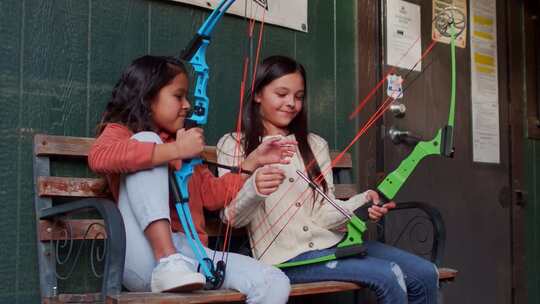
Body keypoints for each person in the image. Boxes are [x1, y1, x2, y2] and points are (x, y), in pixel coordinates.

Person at [217, 55, 439, 304]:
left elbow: (324, 213)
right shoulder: (234, 145)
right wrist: (255, 189)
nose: (291, 103)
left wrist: (363, 202)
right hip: (284, 258)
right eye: (281, 94)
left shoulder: (314, 145)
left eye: (299, 97)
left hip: (330, 247)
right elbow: (231, 219)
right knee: (389, 275)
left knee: (425, 274)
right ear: (258, 94)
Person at [88, 55, 293, 303]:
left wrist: (251, 163)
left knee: (274, 281)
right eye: (178, 96)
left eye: (187, 97)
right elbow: (98, 157)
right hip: (142, 257)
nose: (186, 105)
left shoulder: (182, 142)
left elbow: (212, 196)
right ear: (147, 96)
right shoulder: (123, 133)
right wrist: (174, 151)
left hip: (193, 255)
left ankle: (174, 265)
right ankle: (167, 261)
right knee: (147, 142)